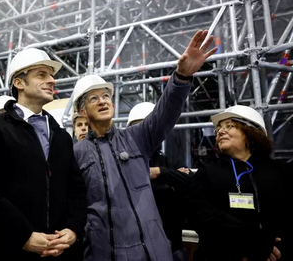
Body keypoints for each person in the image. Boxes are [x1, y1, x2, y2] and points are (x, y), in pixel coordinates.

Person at [72, 29, 217, 261]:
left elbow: (164, 113)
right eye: (93, 99)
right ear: (82, 111)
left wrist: (180, 78)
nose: (102, 102)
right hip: (103, 253)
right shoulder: (76, 153)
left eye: (106, 96)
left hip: (153, 251)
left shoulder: (136, 138)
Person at [0, 48, 87, 260]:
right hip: (9, 249)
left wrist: (73, 230)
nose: (52, 81)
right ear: (19, 83)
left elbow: (76, 190)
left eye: (51, 75)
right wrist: (23, 236)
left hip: (60, 251)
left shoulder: (61, 136)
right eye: (42, 74)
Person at [187, 105, 293, 261]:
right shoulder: (208, 171)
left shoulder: (281, 172)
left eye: (229, 126)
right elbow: (199, 215)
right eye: (218, 129)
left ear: (251, 131)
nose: (220, 131)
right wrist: (252, 242)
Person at [127, 102, 193, 261]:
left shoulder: (168, 161)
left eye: (149, 127)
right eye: (139, 127)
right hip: (133, 246)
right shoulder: (123, 162)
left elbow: (190, 182)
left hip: (171, 245)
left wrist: (159, 172)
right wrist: (169, 182)